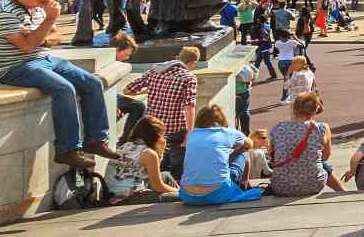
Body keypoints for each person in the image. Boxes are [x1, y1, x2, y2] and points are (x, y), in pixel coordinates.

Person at [0, 0, 117, 171]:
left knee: (92, 82)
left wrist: (42, 37)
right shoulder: (3, 13)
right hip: (13, 67)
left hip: (44, 58)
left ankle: (96, 140)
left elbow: (57, 36)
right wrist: (48, 22)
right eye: (42, 1)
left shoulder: (40, 6)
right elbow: (27, 47)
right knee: (64, 89)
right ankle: (67, 150)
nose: (46, 6)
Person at [122, 44, 201, 180]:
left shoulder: (155, 71)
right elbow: (189, 106)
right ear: (192, 62)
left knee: (157, 163)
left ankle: (157, 185)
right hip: (175, 128)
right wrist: (190, 131)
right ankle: (175, 188)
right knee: (178, 165)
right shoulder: (188, 78)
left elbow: (128, 90)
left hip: (153, 128)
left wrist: (147, 91)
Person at [177, 104, 263, 205]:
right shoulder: (228, 133)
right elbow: (249, 144)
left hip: (187, 195)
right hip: (218, 194)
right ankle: (243, 183)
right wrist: (236, 149)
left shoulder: (191, 135)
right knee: (244, 155)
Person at [266, 92, 343, 197]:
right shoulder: (321, 128)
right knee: (322, 164)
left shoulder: (279, 127)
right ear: (316, 110)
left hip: (281, 187)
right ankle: (342, 191)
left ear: (294, 109)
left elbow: (272, 154)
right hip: (314, 185)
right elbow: (325, 157)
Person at [107, 114, 179, 201]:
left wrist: (159, 154)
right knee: (178, 197)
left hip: (110, 195)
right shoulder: (149, 153)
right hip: (128, 198)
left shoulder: (126, 145)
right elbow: (158, 186)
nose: (163, 138)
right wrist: (178, 192)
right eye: (162, 135)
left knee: (166, 175)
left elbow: (153, 176)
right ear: (155, 136)